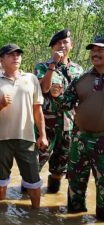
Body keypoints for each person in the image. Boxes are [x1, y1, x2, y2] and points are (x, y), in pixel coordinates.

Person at [0, 44, 48, 209]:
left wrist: (42, 135)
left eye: (18, 54)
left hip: (26, 137)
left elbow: (38, 110)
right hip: (0, 138)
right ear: (2, 60)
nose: (16, 57)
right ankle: (1, 211)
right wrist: (0, 105)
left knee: (33, 180)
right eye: (11, 55)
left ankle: (36, 214)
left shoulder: (31, 79)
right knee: (0, 179)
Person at [34, 29, 84, 193]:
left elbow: (81, 97)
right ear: (52, 47)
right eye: (58, 43)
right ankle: (24, 204)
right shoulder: (42, 66)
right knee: (34, 166)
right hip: (46, 125)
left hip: (68, 126)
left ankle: (52, 196)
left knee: (59, 168)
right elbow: (44, 88)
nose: (62, 45)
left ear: (72, 45)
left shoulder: (78, 69)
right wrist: (53, 65)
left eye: (65, 42)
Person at [61, 36, 104, 220]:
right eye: (93, 50)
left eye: (100, 50)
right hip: (80, 139)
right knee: (75, 186)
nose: (95, 53)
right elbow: (64, 104)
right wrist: (57, 95)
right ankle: (74, 219)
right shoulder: (81, 78)